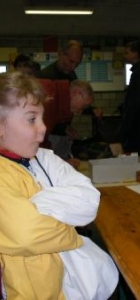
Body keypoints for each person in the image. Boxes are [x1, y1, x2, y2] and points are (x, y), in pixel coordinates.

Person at [0, 71, 118, 299]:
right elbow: (28, 233)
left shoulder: (41, 158)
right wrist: (72, 235)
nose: (43, 128)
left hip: (60, 284)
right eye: (32, 119)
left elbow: (88, 199)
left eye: (42, 119)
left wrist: (37, 206)